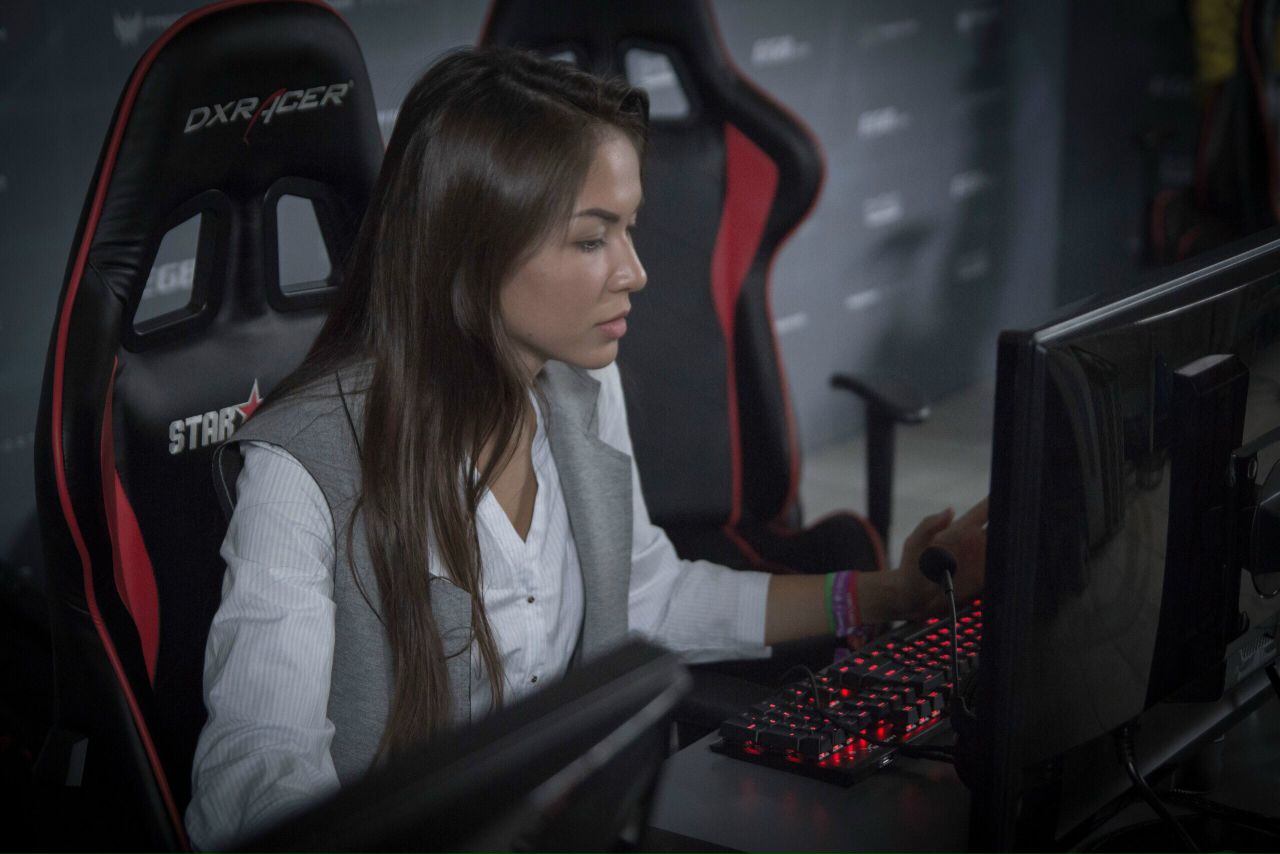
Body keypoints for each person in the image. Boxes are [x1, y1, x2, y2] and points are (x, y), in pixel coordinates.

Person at [184, 46, 987, 850]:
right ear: (472, 250)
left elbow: (645, 599)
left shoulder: (585, 388)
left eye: (628, 230)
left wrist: (886, 596)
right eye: (592, 239)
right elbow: (254, 778)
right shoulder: (301, 467)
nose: (635, 272)